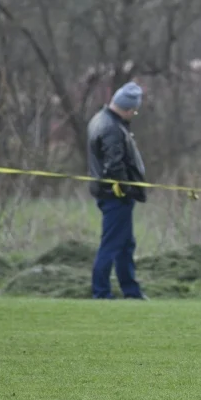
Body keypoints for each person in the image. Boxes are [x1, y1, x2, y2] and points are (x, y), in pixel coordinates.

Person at [87, 82, 148, 300]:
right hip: (115, 196)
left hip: (111, 194)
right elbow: (114, 166)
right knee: (112, 244)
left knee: (125, 244)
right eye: (134, 109)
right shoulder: (112, 127)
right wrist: (127, 189)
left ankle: (131, 291)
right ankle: (101, 292)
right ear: (128, 107)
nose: (134, 114)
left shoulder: (101, 120)